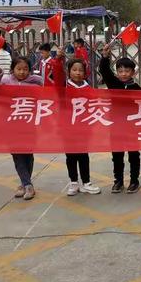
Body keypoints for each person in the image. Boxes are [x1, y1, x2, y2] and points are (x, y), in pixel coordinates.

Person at [0, 57, 43, 200]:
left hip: (29, 126)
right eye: (19, 69)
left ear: (30, 70)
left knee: (28, 154)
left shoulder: (36, 84)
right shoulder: (5, 81)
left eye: (25, 69)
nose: (22, 72)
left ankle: (25, 183)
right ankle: (27, 184)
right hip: (10, 126)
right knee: (17, 155)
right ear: (12, 69)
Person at [52, 50, 101, 196]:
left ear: (85, 72)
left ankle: (86, 182)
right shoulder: (64, 86)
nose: (77, 73)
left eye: (80, 70)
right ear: (68, 72)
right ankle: (73, 182)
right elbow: (57, 73)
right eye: (74, 70)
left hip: (84, 128)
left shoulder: (88, 87)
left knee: (83, 155)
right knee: (71, 156)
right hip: (67, 128)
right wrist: (58, 60)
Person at [99, 44, 141, 193]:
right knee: (117, 155)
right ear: (117, 72)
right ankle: (118, 181)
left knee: (133, 155)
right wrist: (105, 57)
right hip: (116, 126)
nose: (123, 74)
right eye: (120, 71)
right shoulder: (114, 84)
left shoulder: (136, 88)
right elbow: (104, 71)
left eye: (127, 71)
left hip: (132, 127)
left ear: (133, 72)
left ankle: (134, 181)